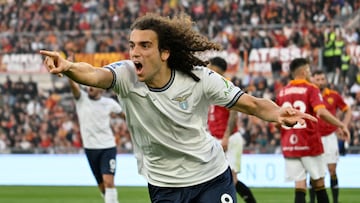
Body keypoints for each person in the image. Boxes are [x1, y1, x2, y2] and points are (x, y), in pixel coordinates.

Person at [41, 13, 317, 203]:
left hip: (210, 176)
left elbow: (253, 104)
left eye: (145, 45)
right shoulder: (126, 75)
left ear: (165, 52)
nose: (135, 52)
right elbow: (93, 74)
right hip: (164, 186)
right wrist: (68, 67)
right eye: (132, 45)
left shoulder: (200, 78)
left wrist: (278, 112)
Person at [275, 58, 350, 203]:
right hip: (309, 143)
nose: (310, 73)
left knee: (300, 185)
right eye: (309, 70)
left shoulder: (282, 92)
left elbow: (277, 121)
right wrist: (341, 125)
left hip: (290, 145)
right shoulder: (311, 89)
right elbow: (321, 112)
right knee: (319, 183)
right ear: (304, 72)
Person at [67, 53, 123, 203]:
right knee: (102, 187)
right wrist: (69, 69)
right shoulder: (81, 99)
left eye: (93, 86)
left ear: (101, 89)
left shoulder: (109, 103)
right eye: (89, 86)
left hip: (107, 146)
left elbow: (125, 115)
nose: (90, 87)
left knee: (109, 182)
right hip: (90, 148)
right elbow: (73, 85)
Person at [207, 56, 257, 203]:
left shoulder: (226, 85)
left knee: (231, 178)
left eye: (211, 69)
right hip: (215, 137)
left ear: (218, 70)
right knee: (219, 178)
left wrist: (226, 136)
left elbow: (233, 112)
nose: (209, 71)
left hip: (229, 138)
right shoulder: (209, 85)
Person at [309, 70, 352, 203]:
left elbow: (347, 109)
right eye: (318, 79)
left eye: (323, 79)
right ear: (313, 80)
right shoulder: (309, 94)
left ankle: (335, 201)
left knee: (332, 170)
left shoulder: (333, 95)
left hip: (329, 137)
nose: (321, 82)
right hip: (313, 137)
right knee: (314, 172)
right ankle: (312, 201)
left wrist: (343, 125)